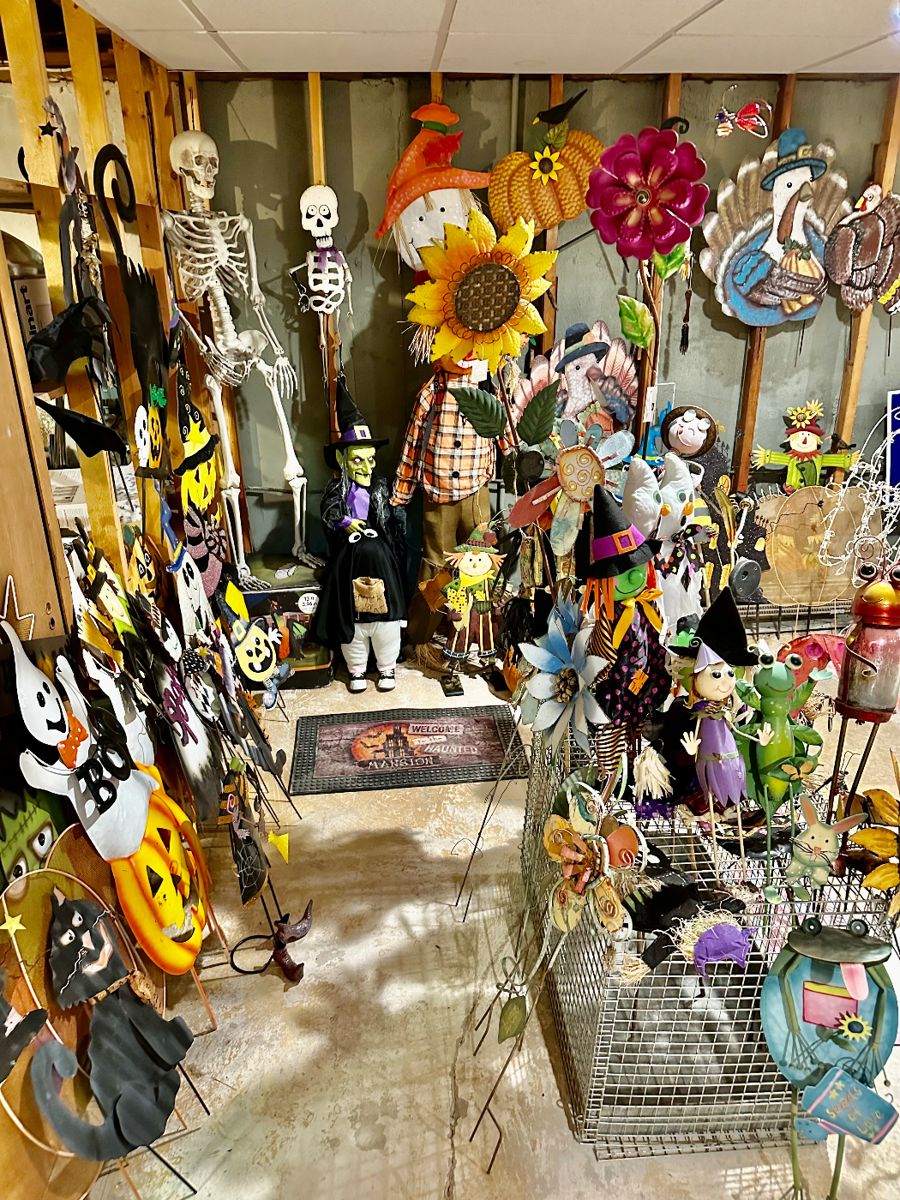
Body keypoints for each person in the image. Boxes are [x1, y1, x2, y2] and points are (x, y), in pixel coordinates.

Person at [312, 379, 406, 692]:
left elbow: (394, 523)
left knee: (386, 614)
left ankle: (386, 666)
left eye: (370, 459)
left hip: (381, 563)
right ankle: (356, 669)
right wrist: (344, 523)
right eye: (357, 460)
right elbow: (329, 514)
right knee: (350, 613)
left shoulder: (381, 487)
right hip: (349, 563)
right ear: (342, 460)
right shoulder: (336, 490)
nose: (366, 467)